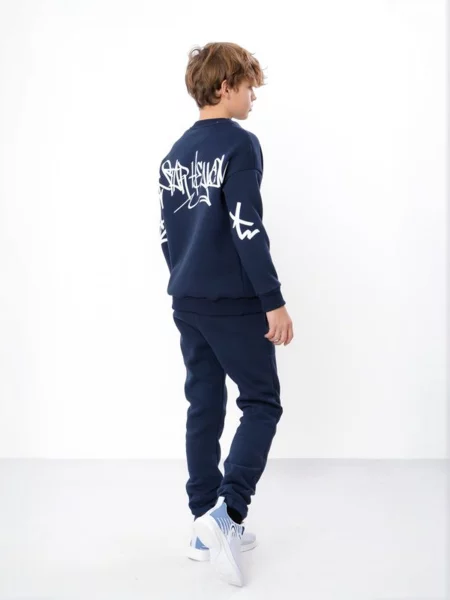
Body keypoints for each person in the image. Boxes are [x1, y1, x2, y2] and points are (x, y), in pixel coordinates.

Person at [158, 41, 294, 587]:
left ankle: (201, 526)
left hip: (187, 301)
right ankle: (228, 512)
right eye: (248, 86)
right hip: (234, 303)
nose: (253, 96)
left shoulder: (174, 154)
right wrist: (272, 300)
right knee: (262, 402)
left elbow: (167, 235)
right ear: (224, 87)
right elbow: (247, 226)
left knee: (204, 405)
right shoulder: (240, 144)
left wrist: (185, 280)